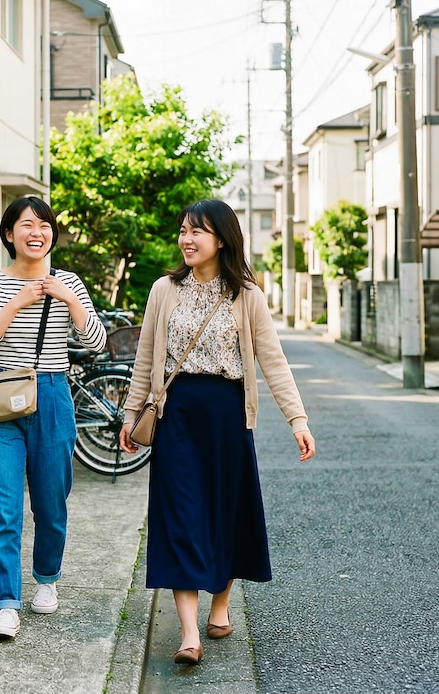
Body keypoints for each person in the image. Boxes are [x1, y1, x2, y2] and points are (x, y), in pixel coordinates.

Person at [118, 198, 316, 666]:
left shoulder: (246, 295)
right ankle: (189, 634)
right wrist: (130, 414)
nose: (186, 239)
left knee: (226, 514)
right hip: (177, 416)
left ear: (222, 240)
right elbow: (145, 358)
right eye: (183, 230)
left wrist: (298, 419)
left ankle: (221, 604)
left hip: (228, 418)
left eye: (197, 232)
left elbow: (273, 361)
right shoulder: (164, 289)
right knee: (181, 517)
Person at [0, 196, 107, 640]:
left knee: (51, 503)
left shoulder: (69, 282)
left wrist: (69, 299)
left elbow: (97, 342)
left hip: (51, 394)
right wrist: (15, 304)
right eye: (27, 224)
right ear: (9, 234)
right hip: (2, 398)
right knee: (1, 507)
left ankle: (46, 578)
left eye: (44, 225)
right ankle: (6, 604)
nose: (37, 232)